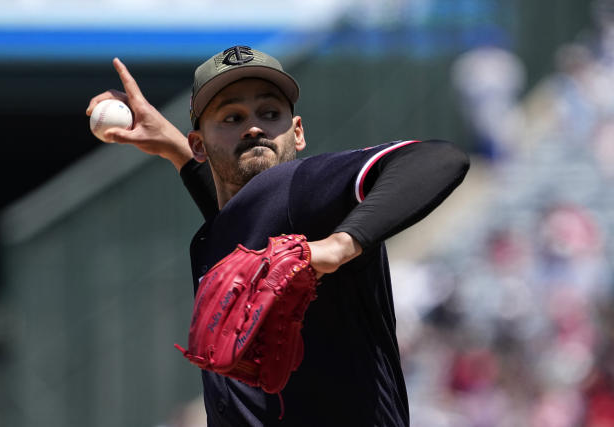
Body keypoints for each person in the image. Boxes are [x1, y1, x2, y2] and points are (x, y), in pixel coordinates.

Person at [87, 45, 470, 427]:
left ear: (297, 132)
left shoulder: (304, 187)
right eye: (232, 117)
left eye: (270, 113)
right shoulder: (230, 229)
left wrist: (338, 246)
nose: (254, 126)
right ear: (199, 144)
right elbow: (243, 217)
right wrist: (175, 148)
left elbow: (439, 158)